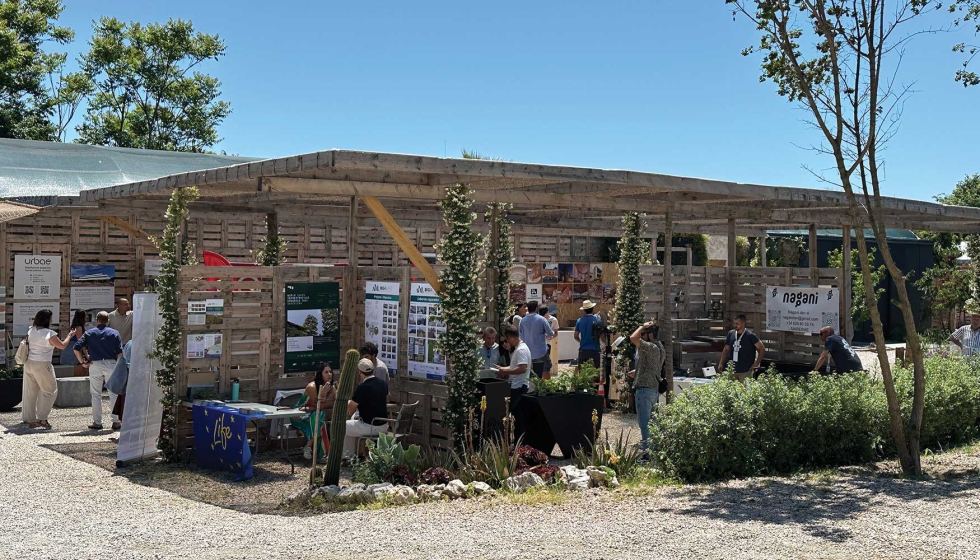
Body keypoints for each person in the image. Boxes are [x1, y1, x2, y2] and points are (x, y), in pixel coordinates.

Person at [74, 311, 124, 430]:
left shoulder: (90, 333)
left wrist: (82, 363)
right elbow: (120, 353)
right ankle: (116, 421)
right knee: (113, 393)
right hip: (111, 364)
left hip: (95, 364)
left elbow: (76, 348)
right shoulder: (114, 333)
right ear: (108, 321)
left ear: (97, 320)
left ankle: (97, 422)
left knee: (96, 394)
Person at [22, 310, 72, 429]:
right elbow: (62, 346)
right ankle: (42, 419)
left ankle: (30, 418)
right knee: (50, 391)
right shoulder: (50, 333)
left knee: (32, 392)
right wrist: (70, 335)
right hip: (43, 364)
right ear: (47, 320)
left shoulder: (31, 330)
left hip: (29, 363)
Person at [628, 320, 665, 455]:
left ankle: (646, 454)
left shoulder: (650, 347)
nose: (641, 336)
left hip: (644, 389)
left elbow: (633, 338)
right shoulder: (660, 347)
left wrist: (641, 327)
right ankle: (654, 451)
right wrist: (637, 372)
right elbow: (652, 366)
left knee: (644, 425)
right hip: (654, 389)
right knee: (653, 424)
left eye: (644, 334)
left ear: (649, 336)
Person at [343, 358, 390, 456]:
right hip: (384, 425)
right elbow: (387, 398)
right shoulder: (382, 383)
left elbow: (351, 408)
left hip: (370, 426)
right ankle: (354, 454)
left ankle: (348, 456)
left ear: (359, 372)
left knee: (343, 426)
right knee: (352, 422)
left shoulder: (362, 387)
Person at [293, 363, 337, 460]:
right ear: (319, 374)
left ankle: (309, 447)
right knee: (320, 417)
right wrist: (324, 394)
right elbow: (320, 406)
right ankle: (323, 453)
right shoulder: (312, 386)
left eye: (330, 372)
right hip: (299, 414)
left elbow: (335, 403)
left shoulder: (332, 387)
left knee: (319, 421)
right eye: (326, 372)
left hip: (314, 414)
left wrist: (320, 405)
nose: (329, 374)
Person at [492, 325, 532, 414]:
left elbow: (522, 369)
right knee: (517, 414)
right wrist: (502, 368)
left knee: (507, 411)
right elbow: (517, 366)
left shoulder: (521, 350)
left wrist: (505, 371)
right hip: (518, 386)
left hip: (518, 387)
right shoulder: (519, 348)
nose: (507, 342)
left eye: (507, 339)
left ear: (510, 337)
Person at [717, 314, 765, 382]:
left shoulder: (750, 335)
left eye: (737, 323)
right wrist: (721, 362)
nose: (735, 325)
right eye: (734, 323)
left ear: (743, 323)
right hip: (732, 369)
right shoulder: (731, 334)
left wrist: (756, 363)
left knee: (745, 390)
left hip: (746, 370)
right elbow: (726, 349)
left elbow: (762, 348)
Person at [518, 301, 554, 378]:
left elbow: (520, 336)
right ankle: (546, 389)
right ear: (536, 308)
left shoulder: (522, 320)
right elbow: (550, 333)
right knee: (546, 370)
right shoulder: (542, 319)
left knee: (531, 373)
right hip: (541, 351)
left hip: (528, 352)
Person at [574, 300, 601, 369]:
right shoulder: (597, 320)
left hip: (583, 350)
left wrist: (581, 341)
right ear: (592, 309)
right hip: (595, 349)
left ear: (584, 310)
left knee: (583, 374)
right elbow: (602, 335)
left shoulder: (579, 321)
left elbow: (575, 336)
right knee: (595, 373)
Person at [537, 306, 556, 379]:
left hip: (547, 344)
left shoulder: (552, 319)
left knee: (545, 366)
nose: (548, 314)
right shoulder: (540, 320)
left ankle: (544, 382)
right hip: (540, 345)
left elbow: (554, 332)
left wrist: (551, 336)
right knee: (542, 365)